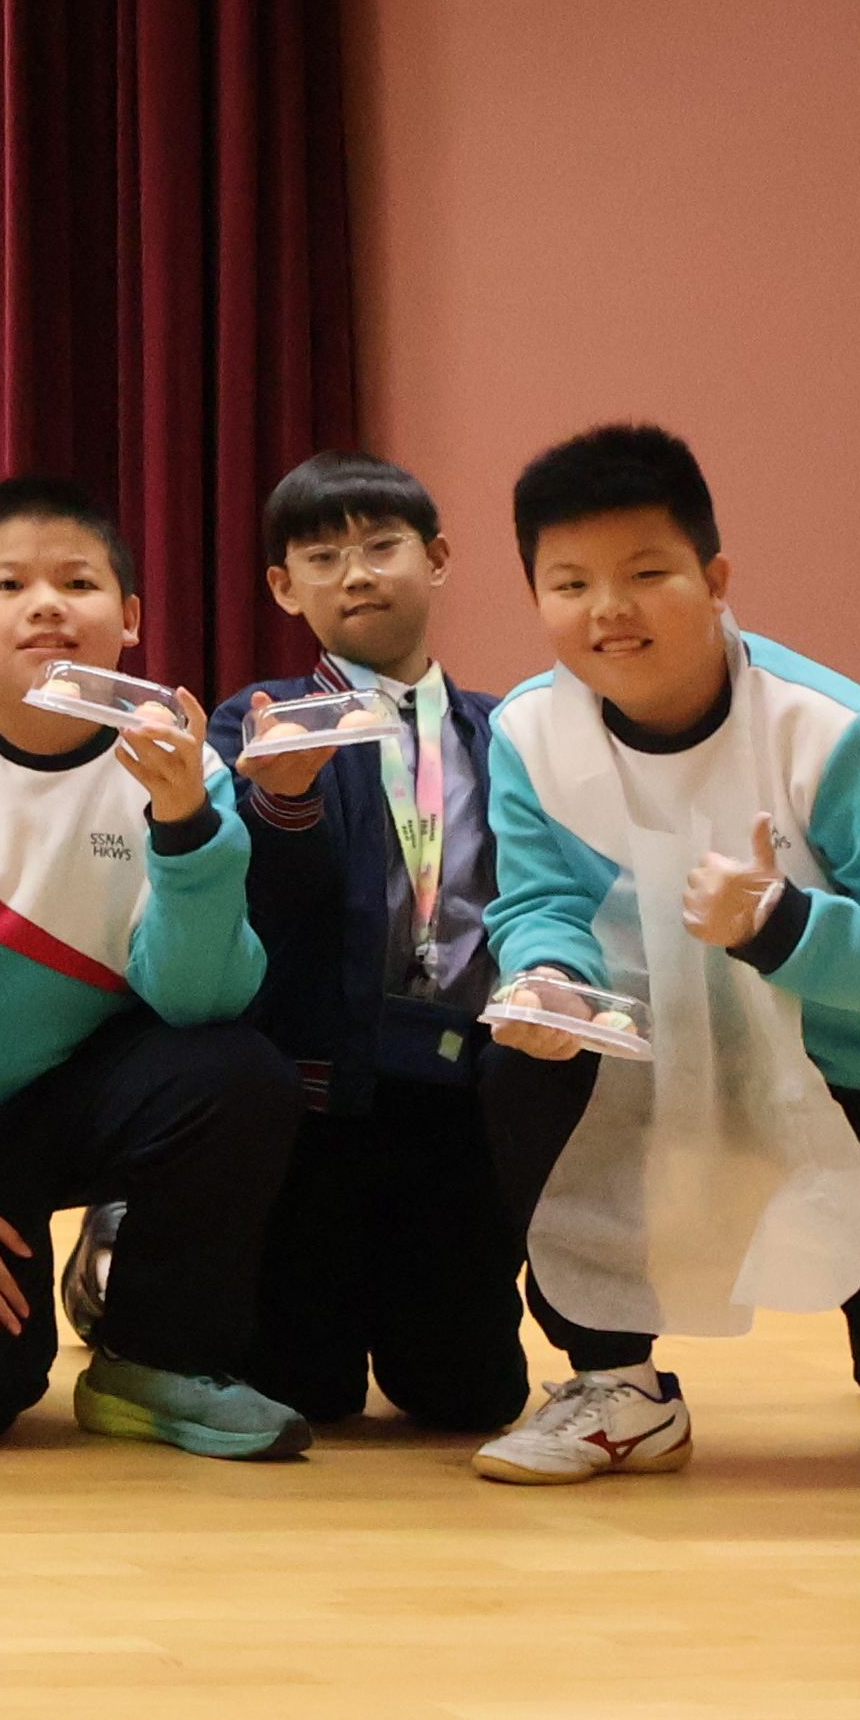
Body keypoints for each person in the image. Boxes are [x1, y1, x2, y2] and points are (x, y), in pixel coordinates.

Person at [472, 423, 860, 1486]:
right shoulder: (526, 734)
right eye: (571, 583)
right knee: (527, 1060)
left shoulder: (832, 732)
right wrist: (549, 978)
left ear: (715, 578)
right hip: (700, 1056)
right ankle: (618, 1386)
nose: (609, 609)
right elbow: (540, 900)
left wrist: (785, 925)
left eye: (647, 573)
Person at [0, 478, 308, 1460]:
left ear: (130, 617)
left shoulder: (180, 765)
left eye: (77, 582)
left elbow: (199, 1001)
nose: (45, 606)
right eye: (10, 584)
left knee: (240, 1075)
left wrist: (183, 826)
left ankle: (152, 1356)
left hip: (58, 1105)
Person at [196, 452, 526, 1438]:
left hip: (456, 1091)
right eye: (323, 557)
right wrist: (283, 801)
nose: (357, 575)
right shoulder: (258, 721)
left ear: (438, 559)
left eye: (383, 546)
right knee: (307, 1390)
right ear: (283, 586)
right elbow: (245, 909)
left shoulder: (507, 731)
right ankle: (130, 1248)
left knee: (468, 1398)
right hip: (318, 1095)